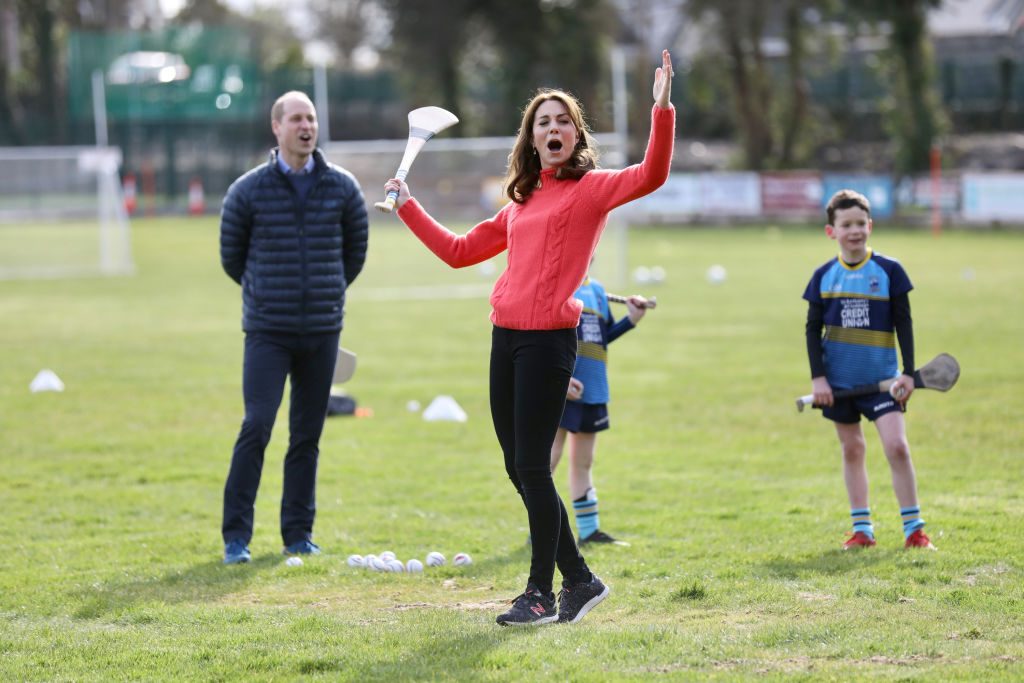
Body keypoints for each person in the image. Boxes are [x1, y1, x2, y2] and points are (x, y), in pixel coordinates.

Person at [384, 50, 675, 626]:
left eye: (562, 120)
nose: (553, 128)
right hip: (505, 339)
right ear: (532, 139)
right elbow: (460, 252)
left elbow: (652, 174)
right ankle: (582, 581)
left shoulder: (591, 189)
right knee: (520, 470)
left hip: (549, 342)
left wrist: (661, 109)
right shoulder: (520, 202)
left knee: (535, 469)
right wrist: (409, 206)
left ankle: (539, 593)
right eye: (543, 122)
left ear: (575, 134)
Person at [219, 91, 369, 564]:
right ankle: (236, 538)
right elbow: (231, 257)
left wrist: (324, 293)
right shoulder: (246, 190)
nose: (306, 126)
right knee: (257, 425)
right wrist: (269, 293)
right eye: (297, 119)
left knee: (307, 436)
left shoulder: (343, 187)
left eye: (312, 118)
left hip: (322, 330)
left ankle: (297, 535)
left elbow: (355, 253)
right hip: (268, 330)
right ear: (277, 127)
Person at [803, 189, 935, 551]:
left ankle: (915, 531)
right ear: (832, 231)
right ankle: (863, 531)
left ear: (871, 226)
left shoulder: (890, 271)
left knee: (897, 447)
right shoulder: (823, 277)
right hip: (839, 383)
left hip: (884, 382)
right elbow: (812, 330)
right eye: (846, 224)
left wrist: (908, 372)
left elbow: (904, 324)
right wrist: (819, 379)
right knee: (852, 450)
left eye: (861, 223)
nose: (855, 230)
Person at [550, 277, 649, 547]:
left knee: (584, 462)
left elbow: (602, 338)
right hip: (562, 387)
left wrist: (632, 319)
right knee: (548, 461)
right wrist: (559, 378)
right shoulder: (560, 285)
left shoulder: (596, 291)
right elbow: (545, 340)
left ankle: (589, 532)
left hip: (592, 388)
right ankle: (541, 529)